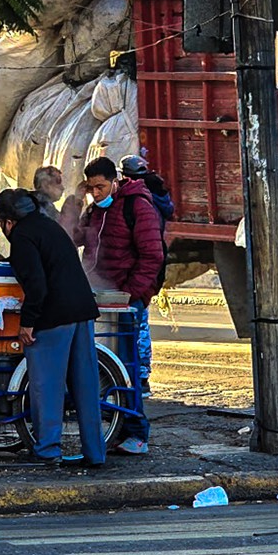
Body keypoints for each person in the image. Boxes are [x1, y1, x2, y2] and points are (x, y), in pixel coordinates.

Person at [0, 187, 107, 468]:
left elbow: (36, 286)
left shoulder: (22, 237)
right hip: (81, 312)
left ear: (9, 222)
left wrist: (27, 323)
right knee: (86, 386)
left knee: (47, 386)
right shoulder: (50, 227)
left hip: (54, 317)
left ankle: (47, 449)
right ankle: (95, 452)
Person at [72, 156, 162, 454]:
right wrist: (73, 205)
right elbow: (74, 238)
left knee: (127, 366)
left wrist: (132, 294)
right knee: (103, 367)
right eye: (91, 188)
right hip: (98, 296)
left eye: (100, 187)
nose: (96, 193)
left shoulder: (137, 206)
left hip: (125, 301)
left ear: (115, 181)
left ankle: (137, 432)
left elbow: (152, 255)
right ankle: (117, 429)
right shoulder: (94, 209)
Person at [31, 164, 82, 240]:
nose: (62, 187)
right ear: (45, 185)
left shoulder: (37, 204)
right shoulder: (41, 208)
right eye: (58, 181)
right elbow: (63, 232)